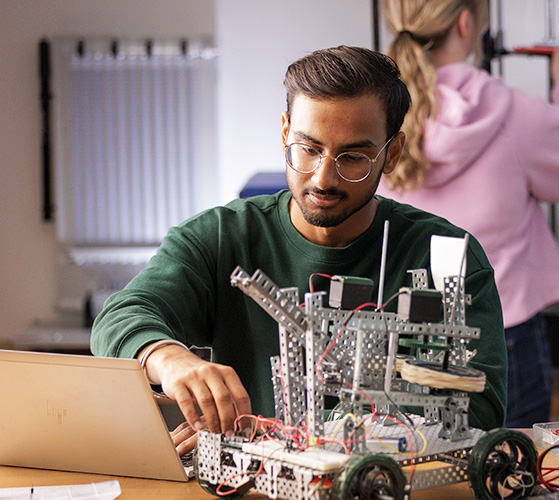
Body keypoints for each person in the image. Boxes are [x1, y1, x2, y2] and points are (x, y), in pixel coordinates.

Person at [90, 46, 507, 455]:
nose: (323, 178)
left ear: (392, 153)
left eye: (353, 156)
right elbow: (120, 317)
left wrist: (267, 441)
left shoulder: (449, 258)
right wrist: (167, 357)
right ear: (286, 131)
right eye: (309, 149)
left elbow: (480, 408)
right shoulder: (221, 236)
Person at [379, 0, 559, 427]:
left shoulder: (377, 115)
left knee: (427, 476)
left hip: (403, 337)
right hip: (501, 333)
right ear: (465, 22)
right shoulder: (512, 114)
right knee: (513, 473)